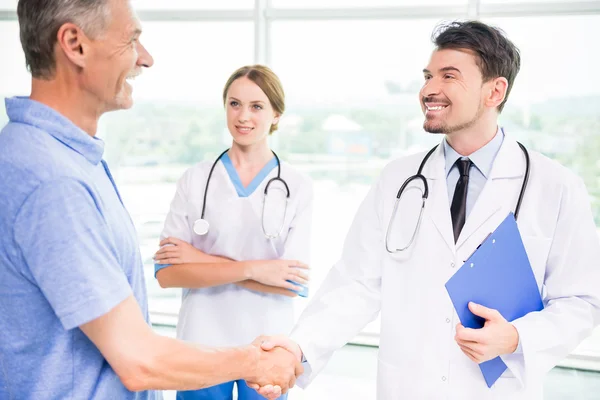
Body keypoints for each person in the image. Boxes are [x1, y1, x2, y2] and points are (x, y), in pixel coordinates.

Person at [255, 20, 600, 400]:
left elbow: (581, 302)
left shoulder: (555, 186)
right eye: (427, 76)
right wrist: (299, 347)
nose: (428, 90)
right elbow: (357, 283)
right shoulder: (397, 180)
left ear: (494, 91)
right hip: (408, 386)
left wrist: (518, 336)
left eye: (448, 76)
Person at [0, 1, 301, 399]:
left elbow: (292, 279)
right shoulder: (54, 182)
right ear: (75, 44)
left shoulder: (64, 158)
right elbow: (139, 359)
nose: (146, 59)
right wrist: (256, 361)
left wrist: (203, 263)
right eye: (132, 40)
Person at [153, 64, 313, 400]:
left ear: (276, 114)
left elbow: (291, 285)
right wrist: (256, 270)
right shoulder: (195, 180)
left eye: (257, 106)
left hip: (267, 346)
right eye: (234, 103)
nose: (243, 116)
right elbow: (167, 274)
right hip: (202, 341)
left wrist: (198, 260)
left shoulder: (296, 187)